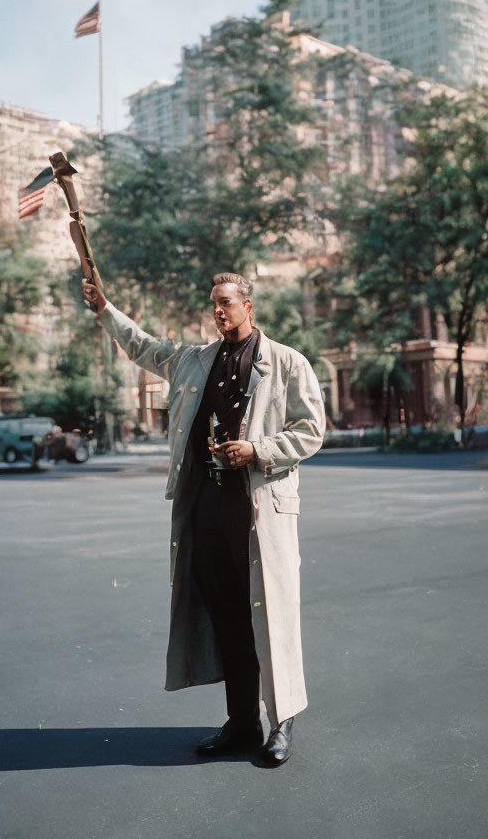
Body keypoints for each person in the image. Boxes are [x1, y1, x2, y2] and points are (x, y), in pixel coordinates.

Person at [82, 271, 325, 766]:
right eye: (214, 303)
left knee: (273, 618)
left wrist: (257, 450)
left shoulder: (286, 363)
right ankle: (242, 723)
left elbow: (312, 430)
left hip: (261, 512)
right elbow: (143, 347)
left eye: (227, 302)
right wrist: (106, 309)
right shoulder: (195, 360)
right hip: (209, 509)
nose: (219, 310)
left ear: (248, 306)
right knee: (230, 619)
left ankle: (282, 722)